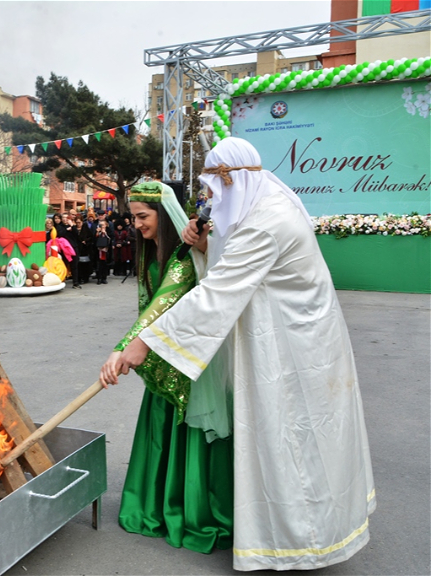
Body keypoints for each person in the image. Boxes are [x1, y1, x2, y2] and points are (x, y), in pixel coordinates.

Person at [112, 137, 375, 571]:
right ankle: (297, 533)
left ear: (231, 180)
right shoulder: (266, 205)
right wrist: (205, 246)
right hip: (294, 343)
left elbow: (219, 291)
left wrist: (144, 343)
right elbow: (234, 263)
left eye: (213, 190)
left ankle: (303, 541)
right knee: (294, 439)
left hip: (292, 352)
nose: (210, 200)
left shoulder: (267, 222)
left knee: (292, 441)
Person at [99, 181, 233, 556]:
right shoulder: (152, 255)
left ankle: (190, 510)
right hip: (162, 357)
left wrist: (123, 347)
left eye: (143, 216)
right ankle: (158, 505)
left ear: (164, 215)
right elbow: (149, 308)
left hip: (187, 363)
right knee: (161, 430)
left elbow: (162, 304)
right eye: (133, 217)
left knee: (184, 434)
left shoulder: (182, 257)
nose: (137, 224)